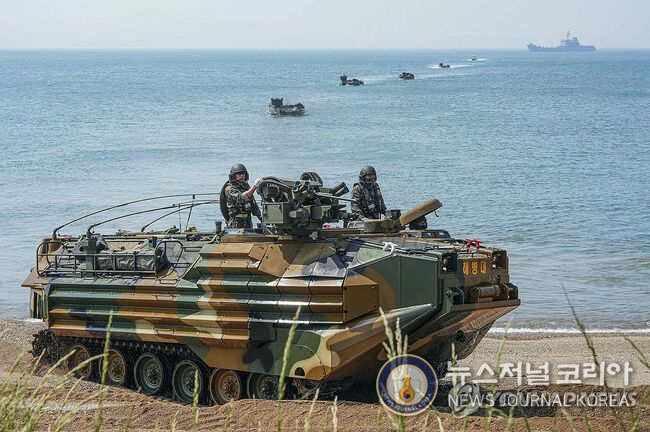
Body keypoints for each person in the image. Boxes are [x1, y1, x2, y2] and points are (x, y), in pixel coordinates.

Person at [220, 163, 263, 228]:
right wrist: (255, 186)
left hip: (247, 222)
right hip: (235, 224)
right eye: (239, 174)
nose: (242, 176)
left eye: (243, 174)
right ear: (233, 176)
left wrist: (262, 219)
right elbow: (242, 198)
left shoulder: (245, 186)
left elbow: (253, 204)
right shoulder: (229, 188)